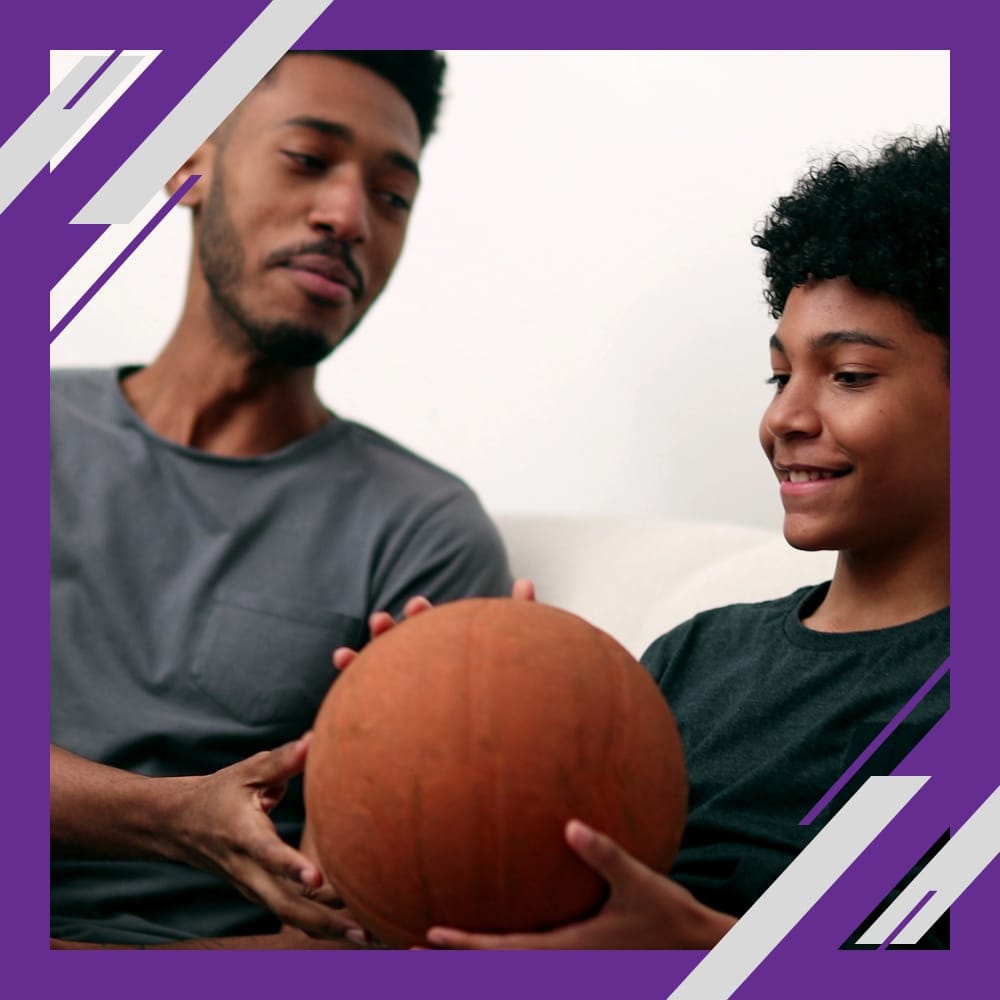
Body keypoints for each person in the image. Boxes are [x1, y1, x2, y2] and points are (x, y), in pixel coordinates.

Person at [419, 130, 950, 949]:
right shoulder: (696, 656)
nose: (784, 417)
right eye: (781, 375)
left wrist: (699, 950)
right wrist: (463, 722)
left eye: (847, 374)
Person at [49, 50, 512, 949]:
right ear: (189, 165)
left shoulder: (425, 532)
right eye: (308, 158)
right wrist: (173, 815)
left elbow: (386, 919)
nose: (348, 217)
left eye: (392, 196)